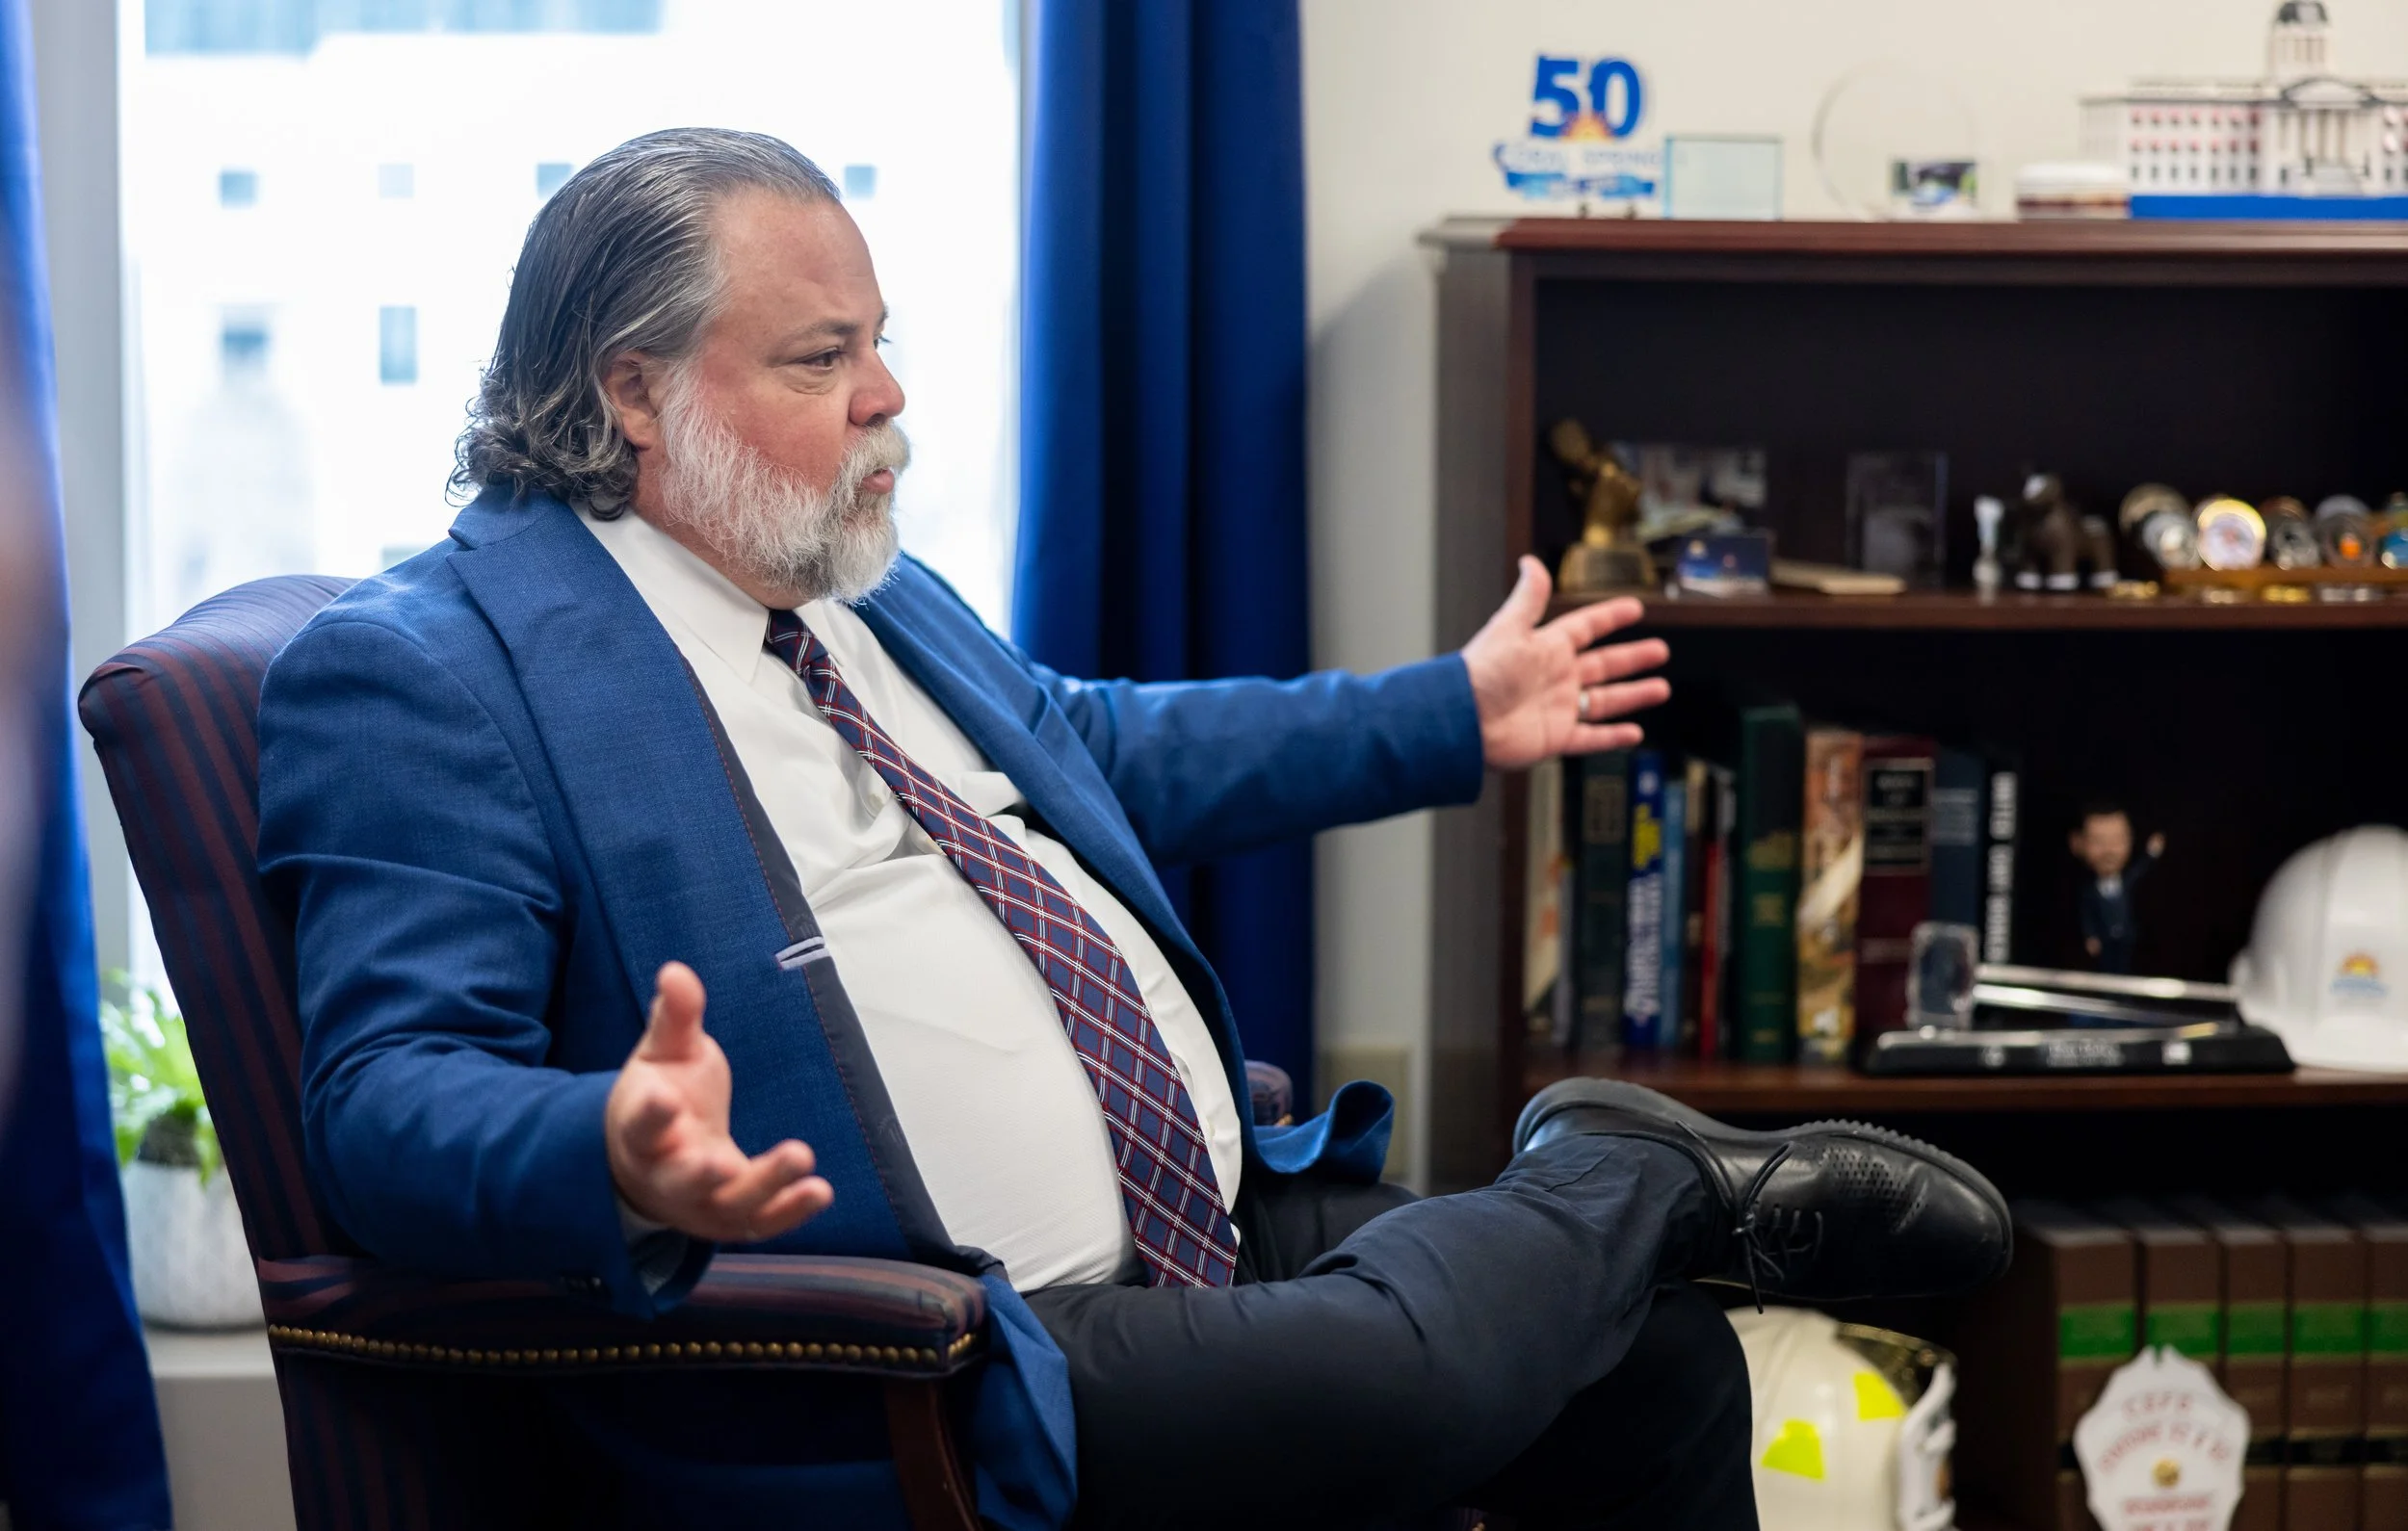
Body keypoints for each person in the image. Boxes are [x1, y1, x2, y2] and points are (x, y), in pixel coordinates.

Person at [257, 128, 2009, 1530]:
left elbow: (1089, 746)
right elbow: (383, 1096)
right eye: (823, 357)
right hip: (937, 1357)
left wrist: (1445, 714)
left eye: (882, 347)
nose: (887, 400)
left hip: (1201, 1221)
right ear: (633, 395)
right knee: (1410, 1390)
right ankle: (1630, 1172)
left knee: (1665, 1364)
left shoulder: (850, 584)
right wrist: (612, 1144)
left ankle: (1618, 1197)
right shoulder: (430, 671)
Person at [2071, 802, 2165, 974]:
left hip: (2127, 937)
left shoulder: (2127, 882)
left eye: (2117, 840)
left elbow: (2141, 868)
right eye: (2098, 841)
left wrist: (2152, 852)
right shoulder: (2089, 892)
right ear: (2078, 844)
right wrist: (2091, 936)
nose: (2109, 850)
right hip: (2105, 941)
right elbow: (2088, 917)